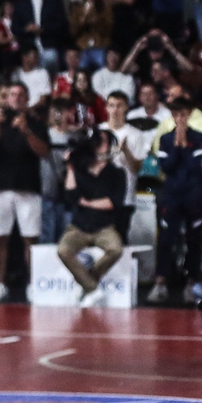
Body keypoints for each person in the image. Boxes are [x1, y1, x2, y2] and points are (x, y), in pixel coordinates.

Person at [0, 81, 49, 301]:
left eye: (21, 95)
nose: (17, 98)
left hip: (28, 188)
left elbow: (44, 152)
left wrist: (26, 131)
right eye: (13, 94)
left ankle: (32, 283)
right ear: (7, 98)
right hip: (1, 188)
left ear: (27, 99)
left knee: (30, 238)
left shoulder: (36, 124)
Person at [150, 91, 202, 304]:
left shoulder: (199, 137)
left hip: (193, 195)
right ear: (173, 116)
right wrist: (178, 146)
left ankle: (191, 284)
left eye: (184, 114)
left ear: (189, 115)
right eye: (177, 115)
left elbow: (196, 167)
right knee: (167, 238)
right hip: (172, 196)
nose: (180, 119)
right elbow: (167, 166)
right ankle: (160, 283)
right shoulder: (166, 140)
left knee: (193, 240)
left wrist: (185, 144)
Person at [58, 130, 129, 306]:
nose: (102, 146)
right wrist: (70, 167)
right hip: (79, 225)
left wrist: (86, 202)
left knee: (115, 249)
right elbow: (71, 194)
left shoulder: (117, 172)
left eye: (105, 142)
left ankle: (87, 283)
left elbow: (113, 202)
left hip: (104, 225)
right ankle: (92, 288)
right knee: (63, 250)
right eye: (99, 142)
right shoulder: (80, 169)